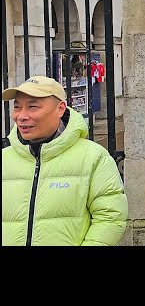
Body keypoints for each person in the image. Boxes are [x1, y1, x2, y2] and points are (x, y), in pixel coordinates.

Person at [2, 75, 128, 246]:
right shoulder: (5, 158)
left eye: (33, 107)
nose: (21, 116)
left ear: (60, 109)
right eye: (17, 107)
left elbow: (111, 217)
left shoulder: (93, 157)